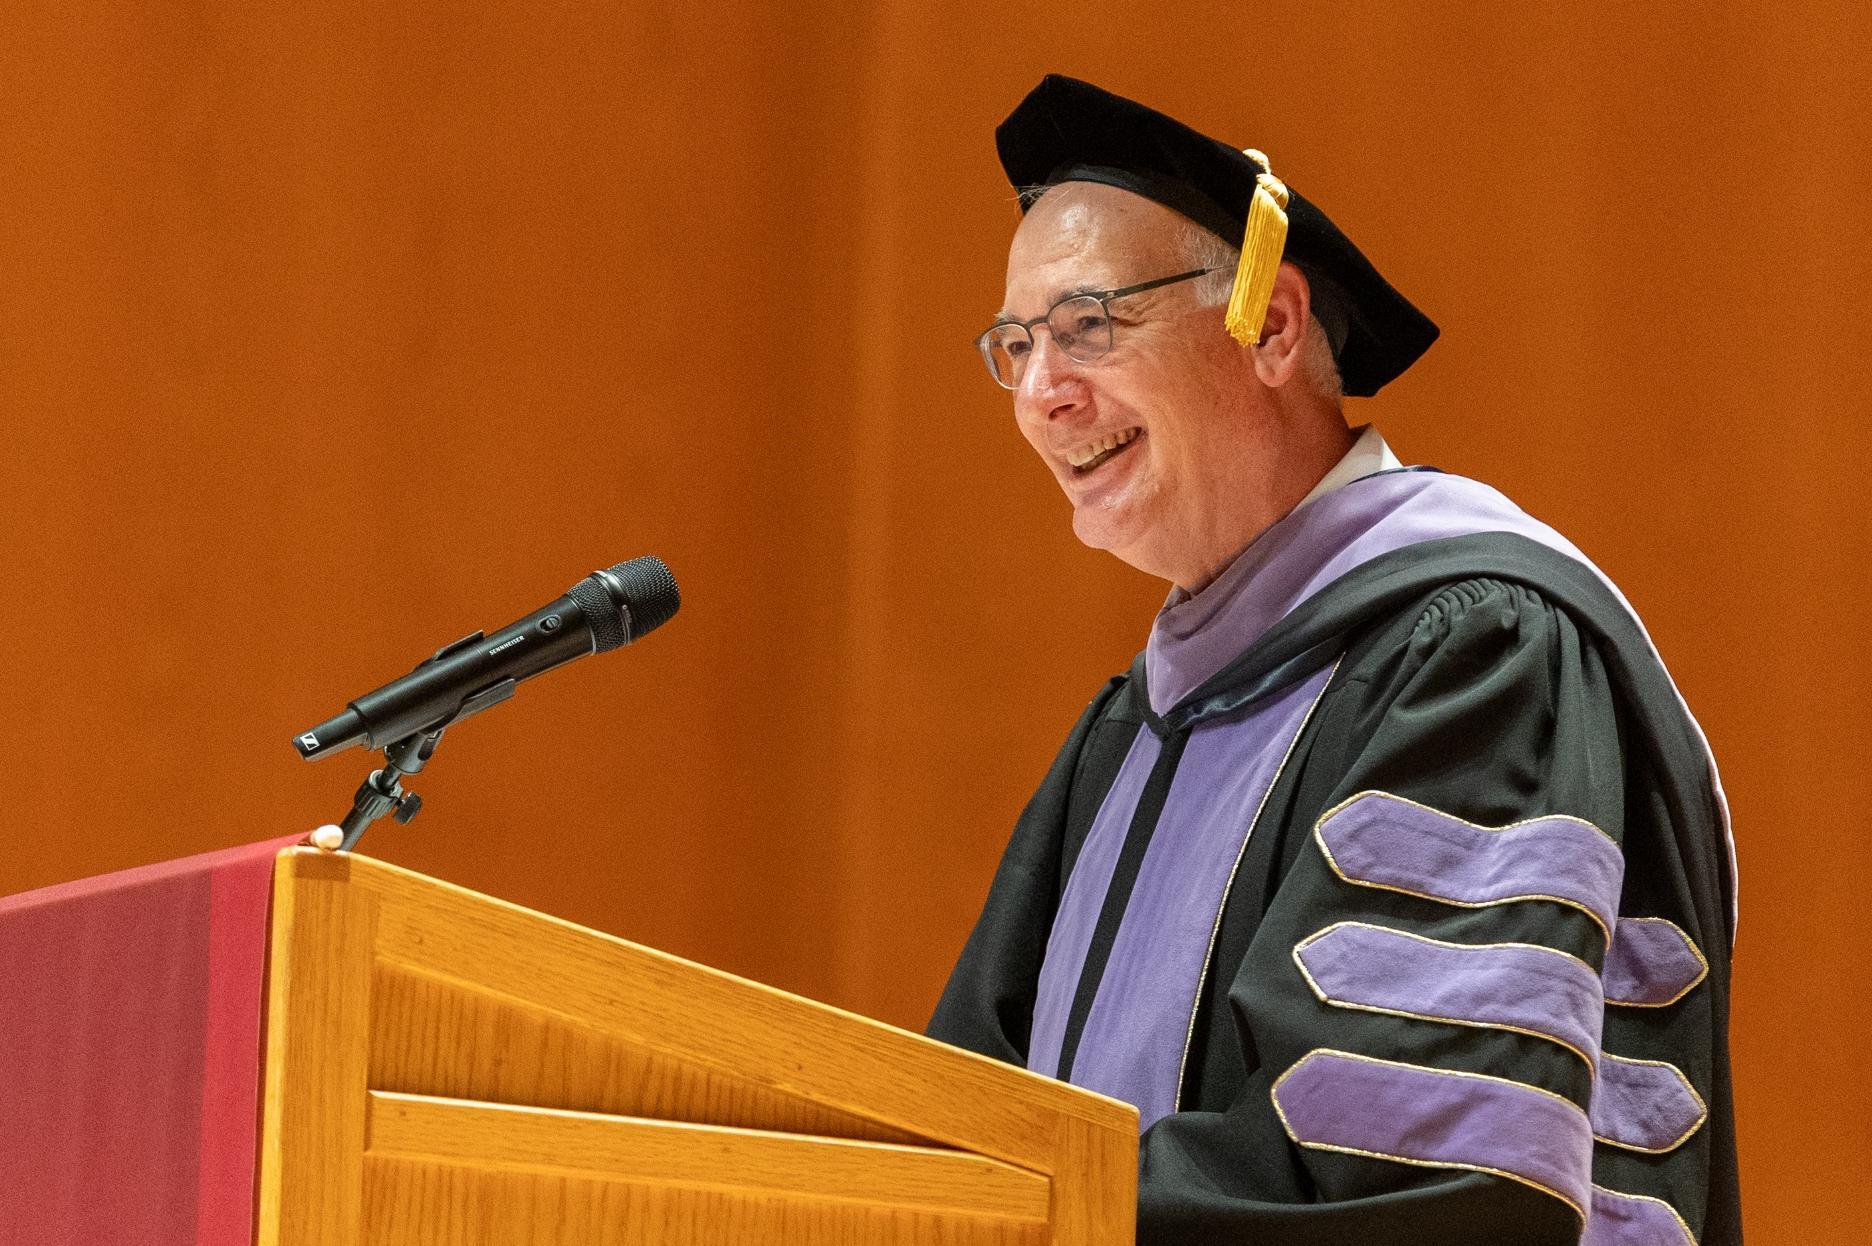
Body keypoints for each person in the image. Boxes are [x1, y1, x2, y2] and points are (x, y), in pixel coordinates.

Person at [928, 75, 1739, 1245]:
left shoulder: (1476, 653)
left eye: (1088, 325)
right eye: (1016, 345)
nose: (1043, 394)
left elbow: (1407, 1168)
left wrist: (1036, 1208)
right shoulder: (1137, 724)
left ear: (1270, 325)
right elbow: (959, 1121)